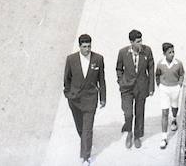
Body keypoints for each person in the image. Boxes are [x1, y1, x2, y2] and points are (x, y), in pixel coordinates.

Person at [64, 34, 108, 164]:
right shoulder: (71, 59)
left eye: (89, 46)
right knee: (81, 128)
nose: (87, 49)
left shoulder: (98, 59)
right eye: (84, 47)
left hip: (90, 99)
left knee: (87, 129)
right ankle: (85, 142)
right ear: (79, 46)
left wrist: (103, 98)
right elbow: (67, 79)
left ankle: (85, 156)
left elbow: (101, 80)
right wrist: (68, 94)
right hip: (75, 100)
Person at [116, 29, 155, 150]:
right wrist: (121, 81)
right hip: (127, 87)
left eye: (141, 40)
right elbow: (118, 68)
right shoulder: (123, 52)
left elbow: (151, 69)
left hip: (142, 87)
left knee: (139, 112)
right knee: (128, 113)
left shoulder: (147, 51)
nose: (140, 43)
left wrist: (151, 87)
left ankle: (137, 136)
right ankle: (129, 132)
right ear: (131, 42)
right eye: (138, 41)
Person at [155, 42, 184, 148]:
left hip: (175, 88)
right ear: (164, 53)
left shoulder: (178, 63)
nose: (172, 54)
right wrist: (159, 85)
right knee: (164, 112)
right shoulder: (160, 64)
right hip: (164, 89)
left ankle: (174, 119)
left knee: (174, 107)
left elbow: (181, 74)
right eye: (169, 52)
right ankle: (164, 137)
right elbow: (157, 75)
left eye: (173, 52)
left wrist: (179, 84)